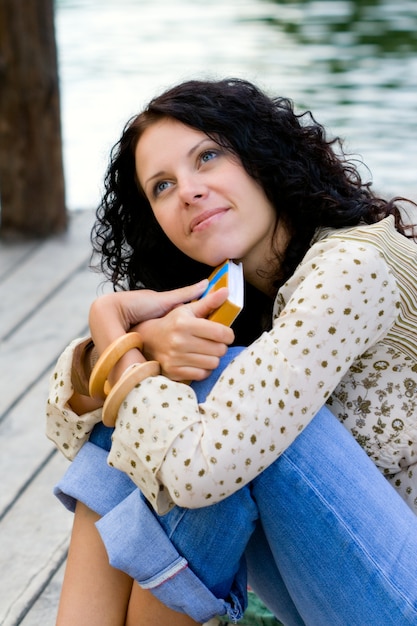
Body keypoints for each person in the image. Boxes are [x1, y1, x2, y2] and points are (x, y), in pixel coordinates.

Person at [46, 78, 417, 626]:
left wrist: (116, 334)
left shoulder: (353, 266)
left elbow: (197, 472)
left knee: (208, 396)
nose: (189, 191)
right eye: (163, 186)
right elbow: (70, 425)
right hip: (348, 582)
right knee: (182, 394)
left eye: (209, 156)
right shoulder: (238, 294)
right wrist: (137, 343)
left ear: (263, 157)